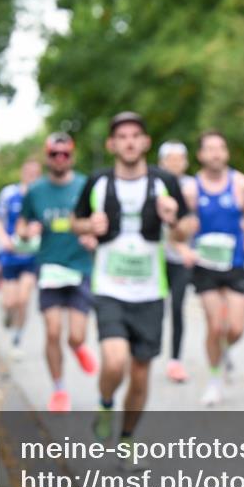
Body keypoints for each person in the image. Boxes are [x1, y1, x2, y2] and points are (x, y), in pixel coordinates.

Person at [73, 112, 194, 451]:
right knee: (114, 361)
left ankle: (126, 440)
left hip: (151, 291)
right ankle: (105, 404)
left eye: (135, 135)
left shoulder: (165, 182)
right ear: (112, 144)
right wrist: (88, 226)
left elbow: (186, 228)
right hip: (110, 287)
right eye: (121, 136)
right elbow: (74, 222)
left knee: (140, 375)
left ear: (145, 142)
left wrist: (174, 220)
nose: (128, 141)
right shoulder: (97, 181)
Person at [17, 132, 98, 412]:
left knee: (76, 335)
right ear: (47, 157)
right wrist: (28, 232)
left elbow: (98, 221)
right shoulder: (36, 191)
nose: (60, 158)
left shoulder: (85, 185)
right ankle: (59, 390)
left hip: (80, 267)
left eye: (65, 154)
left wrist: (93, 237)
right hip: (50, 267)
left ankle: (77, 347)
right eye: (54, 154)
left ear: (72, 156)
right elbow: (22, 226)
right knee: (52, 332)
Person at [180, 130, 244, 407]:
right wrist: (185, 248)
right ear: (200, 155)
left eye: (220, 148)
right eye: (210, 149)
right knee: (215, 326)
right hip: (205, 266)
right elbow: (178, 230)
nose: (216, 153)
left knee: (236, 328)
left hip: (235, 263)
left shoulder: (242, 184)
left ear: (226, 153)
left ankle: (224, 352)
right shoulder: (190, 190)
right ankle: (214, 380)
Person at [0, 159, 43, 357]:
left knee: (23, 299)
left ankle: (17, 339)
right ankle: (7, 315)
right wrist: (3, 239)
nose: (31, 174)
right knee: (9, 303)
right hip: (10, 255)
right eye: (28, 170)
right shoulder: (9, 194)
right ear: (22, 172)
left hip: (31, 257)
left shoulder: (41, 195)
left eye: (35, 171)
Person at [158, 140, 196, 383]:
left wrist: (182, 245)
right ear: (161, 162)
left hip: (182, 259)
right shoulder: (153, 184)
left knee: (177, 308)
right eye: (169, 159)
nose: (174, 163)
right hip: (157, 258)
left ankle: (175, 361)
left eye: (178, 158)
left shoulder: (192, 187)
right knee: (153, 308)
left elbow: (190, 224)